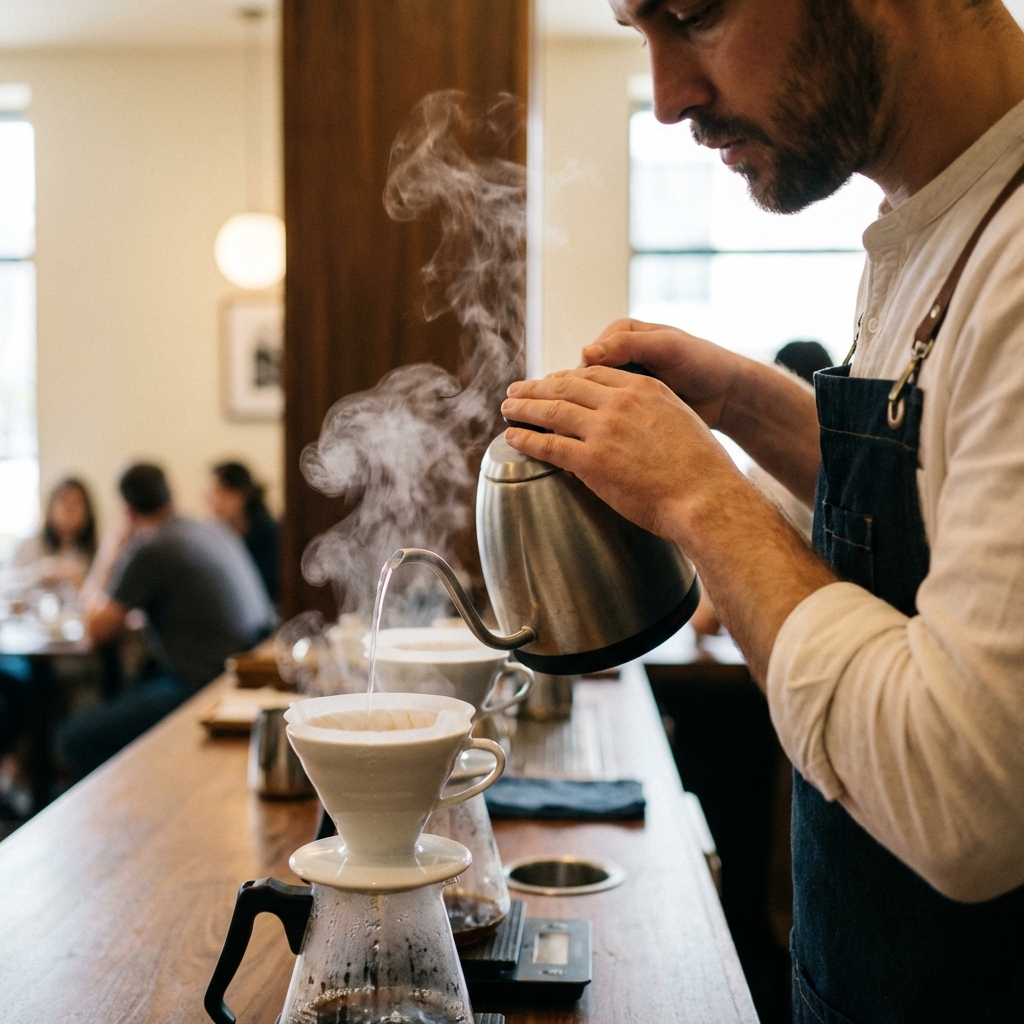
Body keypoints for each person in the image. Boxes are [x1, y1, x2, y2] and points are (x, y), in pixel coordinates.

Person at [501, 2, 1024, 1021]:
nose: (665, 99)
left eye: (693, 13)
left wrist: (703, 496)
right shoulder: (943, 218)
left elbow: (966, 793)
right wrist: (745, 404)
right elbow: (941, 493)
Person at [59, 463, 274, 776]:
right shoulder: (206, 529)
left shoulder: (152, 547)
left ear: (128, 511)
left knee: (74, 738)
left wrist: (111, 546)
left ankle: (126, 807)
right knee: (132, 691)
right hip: (241, 672)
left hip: (200, 687)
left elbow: (94, 630)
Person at [6, 477, 98, 592]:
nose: (69, 509)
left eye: (76, 503)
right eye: (63, 500)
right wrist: (39, 572)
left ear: (87, 512)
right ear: (50, 506)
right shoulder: (28, 545)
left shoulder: (96, 553)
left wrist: (78, 581)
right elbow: (7, 584)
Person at [208, 461, 280, 604]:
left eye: (217, 491)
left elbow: (267, 586)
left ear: (238, 495)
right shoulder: (224, 533)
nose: (211, 500)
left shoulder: (268, 533)